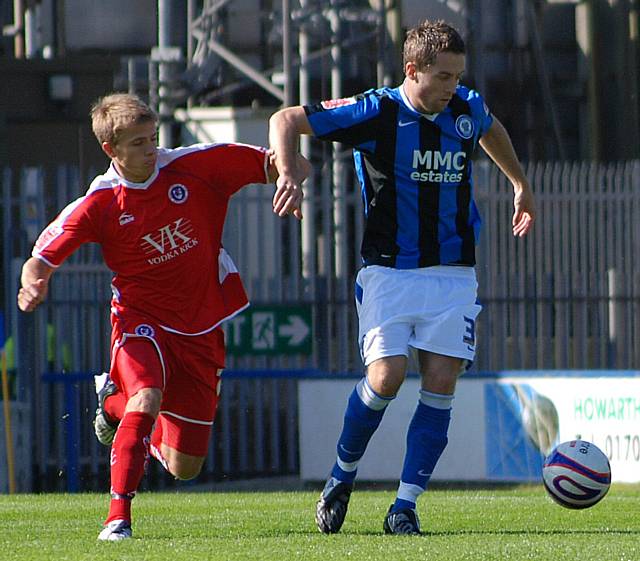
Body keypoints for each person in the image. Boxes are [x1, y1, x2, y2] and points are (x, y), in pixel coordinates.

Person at [269, 19, 535, 535]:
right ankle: (341, 477)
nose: (453, 88)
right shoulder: (377, 110)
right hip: (389, 271)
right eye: (443, 77)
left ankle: (405, 506)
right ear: (412, 71)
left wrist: (518, 181)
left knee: (441, 381)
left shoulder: (465, 107)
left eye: (458, 77)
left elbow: (490, 127)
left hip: (453, 272)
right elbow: (285, 119)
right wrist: (286, 171)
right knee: (386, 378)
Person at [17, 92, 306, 541]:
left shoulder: (196, 165)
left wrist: (288, 173)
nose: (151, 149)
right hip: (139, 319)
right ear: (110, 150)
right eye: (137, 143)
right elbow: (40, 257)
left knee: (184, 467)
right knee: (148, 396)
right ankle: (118, 520)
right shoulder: (100, 203)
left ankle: (112, 407)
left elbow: (284, 163)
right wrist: (33, 281)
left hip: (201, 325)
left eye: (153, 138)